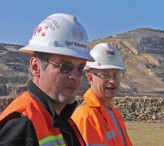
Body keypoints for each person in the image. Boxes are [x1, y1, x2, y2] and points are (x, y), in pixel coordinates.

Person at [0, 13, 94, 146]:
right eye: (64, 67)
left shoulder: (63, 121)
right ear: (35, 67)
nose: (76, 76)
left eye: (80, 68)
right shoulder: (21, 125)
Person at [72, 43, 133, 146]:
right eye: (105, 75)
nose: (112, 81)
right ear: (90, 77)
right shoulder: (84, 116)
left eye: (115, 74)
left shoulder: (115, 114)